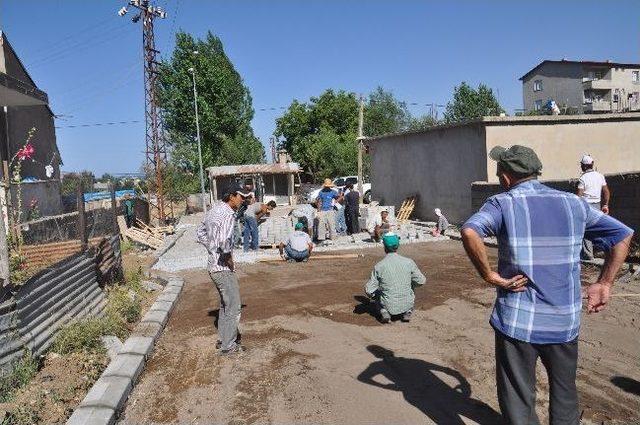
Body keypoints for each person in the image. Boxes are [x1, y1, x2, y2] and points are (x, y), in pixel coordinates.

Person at [461, 145, 632, 424]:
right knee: (565, 394)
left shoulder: (502, 203)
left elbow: (470, 231)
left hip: (517, 321)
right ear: (536, 172)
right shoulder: (574, 204)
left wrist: (489, 275)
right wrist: (605, 283)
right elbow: (622, 235)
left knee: (518, 399)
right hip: (563, 322)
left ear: (505, 177)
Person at [196, 183, 253, 355]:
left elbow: (200, 233)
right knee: (234, 306)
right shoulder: (228, 214)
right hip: (222, 267)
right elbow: (224, 243)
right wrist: (228, 259)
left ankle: (223, 339)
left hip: (212, 265)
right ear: (231, 196)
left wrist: (211, 248)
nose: (243, 199)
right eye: (241, 196)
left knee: (225, 305)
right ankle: (228, 346)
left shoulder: (213, 210)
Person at [364, 232, 426, 323]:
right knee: (410, 285)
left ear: (384, 247)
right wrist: (411, 285)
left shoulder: (379, 266)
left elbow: (369, 290)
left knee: (378, 292)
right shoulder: (409, 262)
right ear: (397, 246)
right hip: (407, 303)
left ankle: (384, 311)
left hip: (388, 305)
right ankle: (407, 312)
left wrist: (375, 295)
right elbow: (421, 281)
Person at [577, 154, 611, 260]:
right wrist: (605, 205)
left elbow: (579, 196)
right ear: (592, 164)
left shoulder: (582, 178)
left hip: (586, 206)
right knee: (597, 228)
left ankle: (588, 254)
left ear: (584, 166)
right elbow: (606, 191)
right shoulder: (600, 176)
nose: (581, 166)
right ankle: (600, 251)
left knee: (586, 229)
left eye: (581, 165)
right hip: (597, 205)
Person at [316, 178, 342, 244]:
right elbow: (318, 200)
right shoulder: (321, 192)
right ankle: (321, 238)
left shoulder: (333, 192)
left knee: (331, 224)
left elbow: (340, 196)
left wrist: (335, 201)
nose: (328, 187)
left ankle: (332, 237)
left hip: (330, 210)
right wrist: (318, 210)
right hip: (322, 210)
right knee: (321, 225)